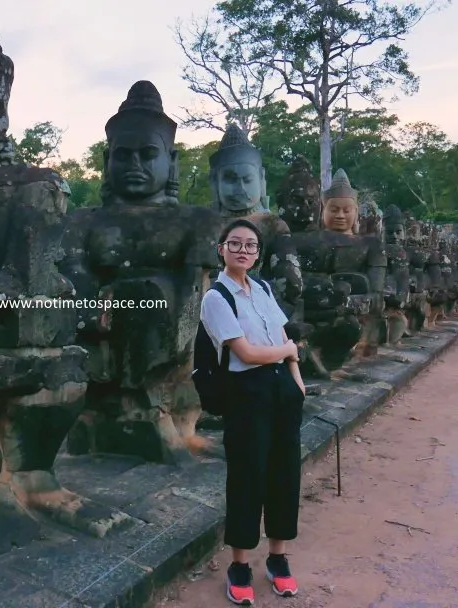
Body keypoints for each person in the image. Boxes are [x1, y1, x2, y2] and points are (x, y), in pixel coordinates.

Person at [201, 219, 306, 604]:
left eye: (250, 245)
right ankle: (240, 564)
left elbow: (281, 336)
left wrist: (297, 380)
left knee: (285, 473)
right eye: (235, 243)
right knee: (247, 476)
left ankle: (278, 559)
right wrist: (289, 353)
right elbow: (245, 352)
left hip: (282, 388)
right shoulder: (216, 298)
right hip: (246, 393)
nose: (243, 250)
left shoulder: (261, 288)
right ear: (221, 248)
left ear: (258, 253)